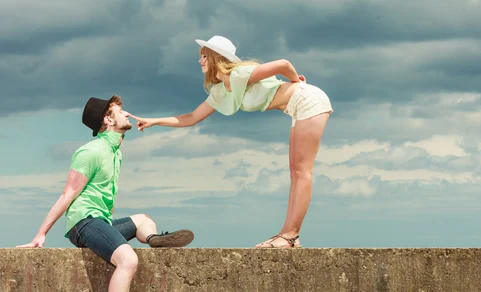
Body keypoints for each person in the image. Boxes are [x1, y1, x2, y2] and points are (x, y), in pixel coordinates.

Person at [18, 95, 194, 292]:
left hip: (101, 221)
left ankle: (154, 239)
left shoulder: (115, 152)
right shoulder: (91, 151)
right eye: (120, 111)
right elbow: (68, 194)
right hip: (84, 222)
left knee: (144, 220)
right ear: (107, 119)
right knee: (128, 259)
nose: (127, 114)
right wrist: (40, 234)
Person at [131, 36, 332, 248]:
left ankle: (290, 236)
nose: (200, 61)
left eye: (204, 56)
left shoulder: (238, 74)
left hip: (308, 100)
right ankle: (288, 235)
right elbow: (191, 117)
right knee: (296, 171)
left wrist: (296, 82)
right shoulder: (221, 90)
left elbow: (283, 64)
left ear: (217, 58)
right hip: (297, 107)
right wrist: (155, 121)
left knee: (301, 171)